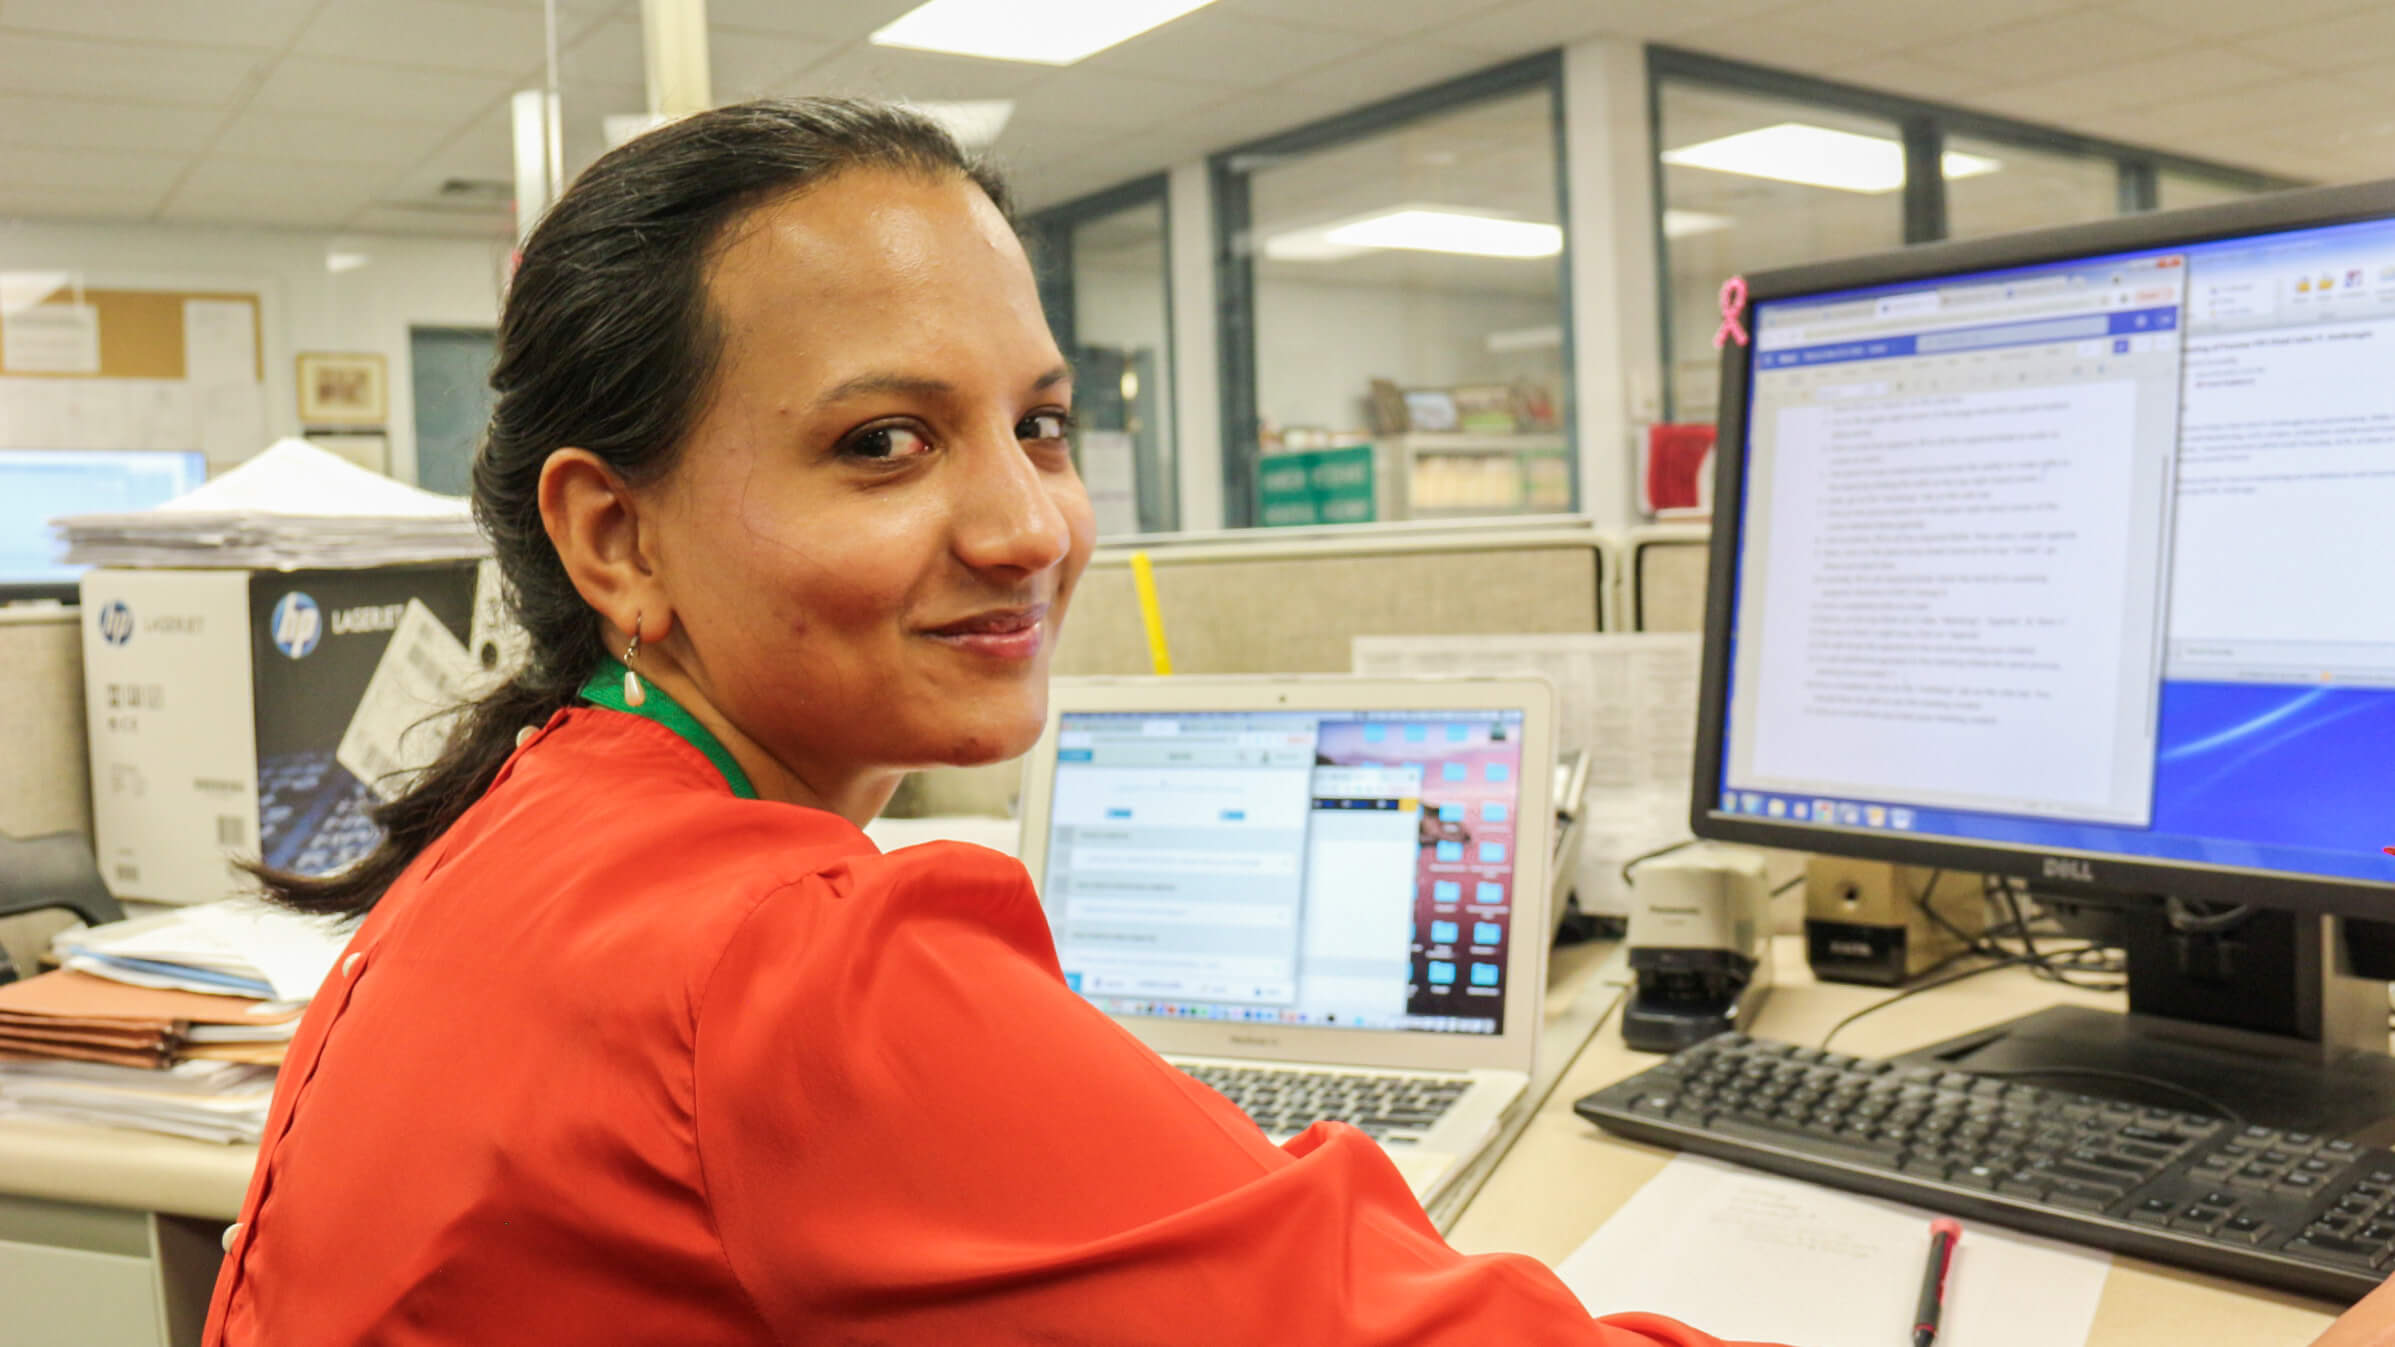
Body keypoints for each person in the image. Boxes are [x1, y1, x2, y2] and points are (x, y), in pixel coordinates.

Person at [199, 99, 2388, 1347]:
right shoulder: (796, 964)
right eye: (882, 443)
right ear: (614, 530)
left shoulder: (526, 831)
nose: (1023, 518)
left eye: (1040, 421)